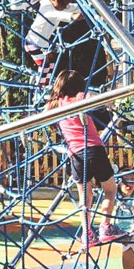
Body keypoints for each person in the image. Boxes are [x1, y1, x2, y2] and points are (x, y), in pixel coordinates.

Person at [50, 69, 119, 252]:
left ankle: (87, 234)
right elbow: (107, 101)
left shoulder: (56, 103)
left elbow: (42, 113)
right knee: (110, 190)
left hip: (76, 155)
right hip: (94, 149)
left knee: (85, 198)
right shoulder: (82, 96)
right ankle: (105, 226)